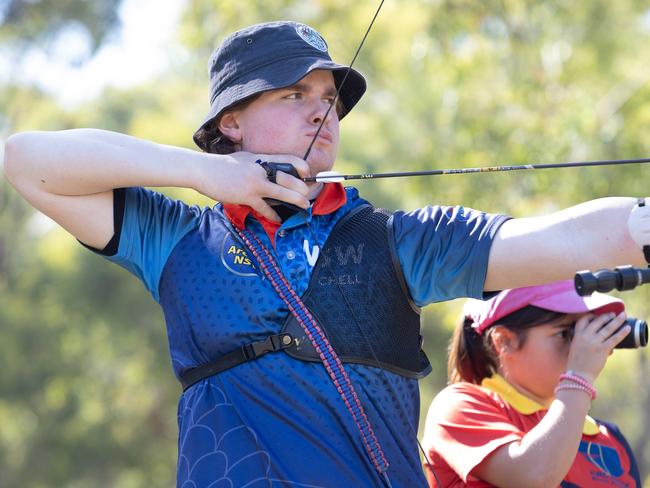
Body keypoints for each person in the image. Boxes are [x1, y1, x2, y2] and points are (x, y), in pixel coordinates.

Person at [3, 19, 650, 487]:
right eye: (294, 96)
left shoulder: (392, 241)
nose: (322, 114)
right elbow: (26, 161)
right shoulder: (174, 239)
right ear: (231, 123)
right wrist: (204, 175)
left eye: (329, 100)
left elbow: (556, 241)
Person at [422, 281, 642, 487]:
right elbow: (536, 476)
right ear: (504, 341)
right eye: (566, 333)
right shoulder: (461, 406)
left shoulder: (609, 439)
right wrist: (579, 377)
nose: (581, 346)